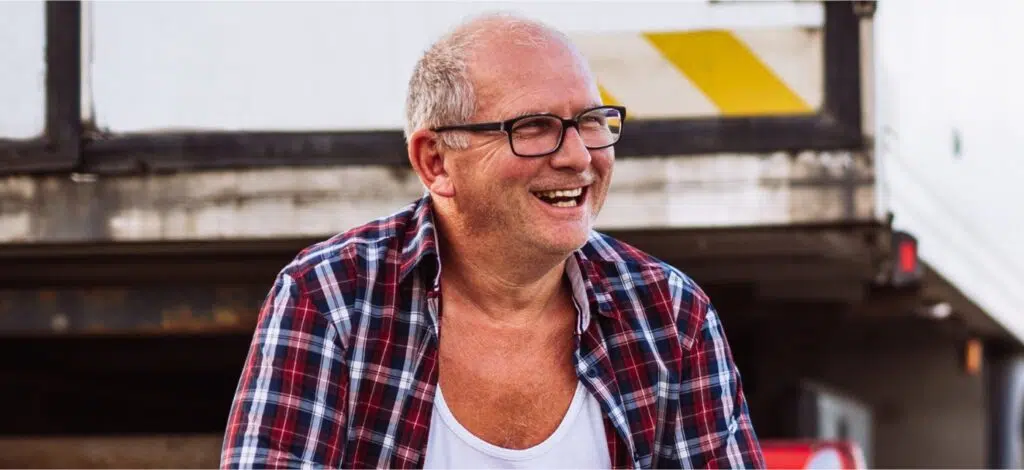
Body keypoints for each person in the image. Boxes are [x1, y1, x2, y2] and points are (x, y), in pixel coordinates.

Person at [220, 12, 763, 470]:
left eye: (591, 121)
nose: (578, 156)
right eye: (533, 127)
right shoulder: (333, 299)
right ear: (435, 162)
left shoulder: (668, 313)